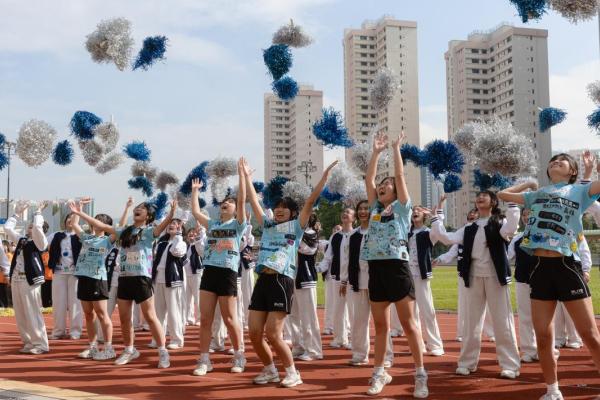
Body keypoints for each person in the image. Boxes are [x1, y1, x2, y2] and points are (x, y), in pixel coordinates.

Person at [498, 152, 600, 400]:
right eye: (552, 160)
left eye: (562, 161)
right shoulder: (537, 194)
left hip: (567, 266)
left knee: (589, 334)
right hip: (539, 268)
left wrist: (590, 170)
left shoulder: (579, 191)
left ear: (572, 171)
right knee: (543, 336)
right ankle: (553, 390)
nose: (555, 162)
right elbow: (502, 194)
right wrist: (528, 184)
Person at [243, 157, 338, 387]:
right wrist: (246, 177)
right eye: (277, 207)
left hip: (282, 280)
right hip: (262, 280)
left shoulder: (296, 227)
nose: (279, 210)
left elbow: (310, 201)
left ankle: (293, 372)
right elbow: (254, 202)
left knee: (273, 334)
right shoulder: (267, 225)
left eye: (284, 207)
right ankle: (270, 370)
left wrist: (324, 178)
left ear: (293, 212)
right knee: (254, 332)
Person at [71, 199, 178, 368]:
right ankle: (129, 350)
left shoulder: (148, 231)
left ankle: (163, 351)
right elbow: (102, 225)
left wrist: (171, 214)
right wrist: (80, 213)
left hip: (141, 277)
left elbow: (162, 227)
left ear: (148, 216)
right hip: (124, 277)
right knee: (124, 318)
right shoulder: (124, 231)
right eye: (137, 207)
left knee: (150, 316)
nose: (137, 209)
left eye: (142, 208)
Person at [361, 132, 428, 398]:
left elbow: (400, 176)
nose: (381, 186)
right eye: (381, 185)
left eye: (387, 185)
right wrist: (376, 153)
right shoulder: (375, 209)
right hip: (376, 269)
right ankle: (379, 373)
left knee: (409, 325)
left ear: (396, 191)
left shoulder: (402, 208)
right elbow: (368, 179)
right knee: (380, 327)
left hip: (397, 267)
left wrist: (396, 148)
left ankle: (420, 375)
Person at [432, 191, 520, 379]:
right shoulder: (469, 228)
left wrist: (513, 201)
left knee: (503, 321)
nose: (480, 198)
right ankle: (467, 362)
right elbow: (446, 238)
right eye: (478, 196)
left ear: (493, 202)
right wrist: (437, 216)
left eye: (484, 196)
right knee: (471, 323)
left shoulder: (500, 223)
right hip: (472, 277)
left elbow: (512, 227)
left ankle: (510, 365)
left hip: (495, 277)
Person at [191, 158, 247, 376]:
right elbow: (196, 213)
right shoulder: (213, 224)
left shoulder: (238, 224)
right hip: (210, 271)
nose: (226, 203)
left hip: (227, 272)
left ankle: (239, 355)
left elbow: (242, 201)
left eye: (230, 202)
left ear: (235, 209)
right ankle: (204, 359)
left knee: (230, 318)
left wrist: (242, 176)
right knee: (205, 319)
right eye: (223, 201)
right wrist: (195, 191)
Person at [68, 199, 116, 360]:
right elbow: (74, 224)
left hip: (97, 279)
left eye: (99, 221)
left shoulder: (108, 240)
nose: (95, 223)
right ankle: (93, 347)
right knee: (89, 315)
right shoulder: (87, 238)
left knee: (102, 314)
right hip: (83, 278)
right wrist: (77, 210)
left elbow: (115, 231)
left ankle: (108, 348)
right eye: (95, 220)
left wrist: (82, 213)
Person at [5, 202, 49, 354]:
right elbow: (8, 228)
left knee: (32, 312)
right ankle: (29, 342)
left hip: (30, 281)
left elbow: (37, 227)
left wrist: (38, 212)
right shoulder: (22, 240)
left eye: (32, 226)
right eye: (29, 226)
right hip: (17, 279)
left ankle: (41, 344)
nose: (30, 228)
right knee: (21, 313)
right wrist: (16, 214)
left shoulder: (40, 242)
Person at [317, 207, 356, 350]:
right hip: (336, 278)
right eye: (343, 212)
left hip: (352, 279)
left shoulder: (357, 234)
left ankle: (354, 340)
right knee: (338, 310)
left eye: (348, 212)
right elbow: (328, 258)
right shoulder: (335, 237)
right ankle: (340, 338)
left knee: (353, 311)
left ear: (354, 218)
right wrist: (318, 268)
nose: (345, 214)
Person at [289, 213, 323, 361]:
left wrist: (294, 235)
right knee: (293, 315)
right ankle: (298, 346)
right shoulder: (293, 231)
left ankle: (314, 350)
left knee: (308, 316)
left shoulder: (311, 233)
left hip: (306, 278)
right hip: (291, 277)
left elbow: (307, 249)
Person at [151, 219, 187, 349]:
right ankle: (158, 338)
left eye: (175, 224)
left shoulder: (182, 243)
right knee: (158, 312)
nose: (171, 225)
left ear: (180, 228)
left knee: (173, 311)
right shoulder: (162, 243)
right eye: (170, 223)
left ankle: (177, 339)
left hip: (172, 279)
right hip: (159, 279)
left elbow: (176, 251)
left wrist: (178, 235)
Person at [47, 211, 83, 340]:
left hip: (75, 273)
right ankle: (58, 331)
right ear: (64, 221)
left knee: (75, 303)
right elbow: (42, 245)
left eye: (73, 218)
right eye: (68, 218)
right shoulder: (56, 235)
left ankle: (75, 331)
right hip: (59, 272)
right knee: (58, 303)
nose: (70, 220)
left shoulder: (80, 235)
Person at [184, 226, 205, 326]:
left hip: (196, 274)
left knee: (198, 297)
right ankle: (189, 318)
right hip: (186, 275)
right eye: (189, 234)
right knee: (187, 298)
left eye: (193, 233)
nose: (191, 235)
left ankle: (200, 318)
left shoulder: (198, 245)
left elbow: (201, 244)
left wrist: (199, 233)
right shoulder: (185, 246)